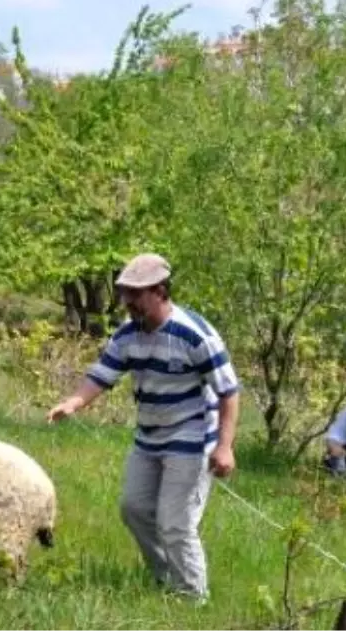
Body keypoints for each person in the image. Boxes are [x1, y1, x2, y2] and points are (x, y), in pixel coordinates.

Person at [46, 253, 240, 602]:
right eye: (125, 294)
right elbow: (103, 374)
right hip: (149, 435)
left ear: (160, 291)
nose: (128, 302)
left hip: (191, 436)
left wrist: (224, 447)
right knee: (133, 508)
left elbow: (229, 391)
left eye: (136, 294)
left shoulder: (195, 335)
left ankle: (194, 598)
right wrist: (74, 402)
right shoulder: (127, 334)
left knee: (174, 521)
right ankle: (166, 578)